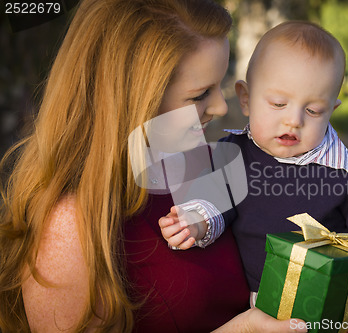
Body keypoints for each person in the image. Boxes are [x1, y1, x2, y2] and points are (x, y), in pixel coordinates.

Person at [0, 1, 314, 332]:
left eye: (218, 86)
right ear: (132, 99)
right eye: (199, 95)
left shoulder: (202, 167)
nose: (221, 107)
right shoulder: (69, 227)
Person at [161, 21, 348, 300]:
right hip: (248, 301)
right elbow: (216, 201)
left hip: (320, 302)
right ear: (246, 99)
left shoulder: (345, 171)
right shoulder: (233, 154)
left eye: (312, 110)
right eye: (278, 104)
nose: (293, 120)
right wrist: (196, 221)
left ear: (330, 111)